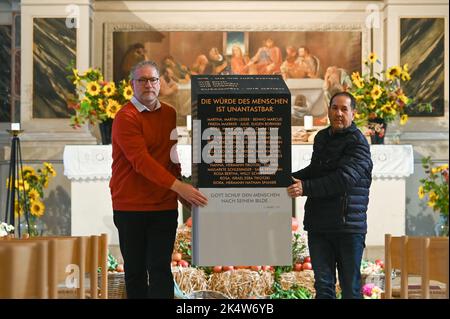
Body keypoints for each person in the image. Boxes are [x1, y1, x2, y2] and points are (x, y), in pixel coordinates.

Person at [110, 60, 208, 299]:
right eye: (142, 80)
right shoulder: (125, 117)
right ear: (132, 84)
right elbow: (140, 161)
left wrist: (178, 191)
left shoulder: (169, 113)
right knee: (135, 271)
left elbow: (171, 157)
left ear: (160, 83)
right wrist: (179, 187)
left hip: (163, 205)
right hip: (130, 205)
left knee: (160, 269)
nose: (148, 85)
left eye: (153, 79)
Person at [287, 91, 373, 299]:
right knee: (324, 287)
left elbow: (343, 179)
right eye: (335, 108)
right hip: (320, 225)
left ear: (353, 113)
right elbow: (316, 171)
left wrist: (305, 188)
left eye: (344, 109)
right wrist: (287, 179)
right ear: (328, 111)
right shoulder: (322, 137)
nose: (339, 113)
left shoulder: (358, 143)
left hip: (348, 227)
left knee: (350, 289)